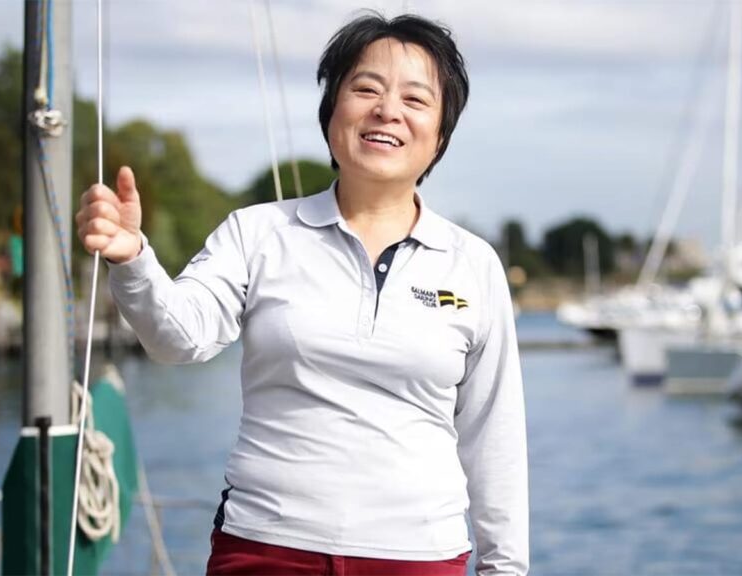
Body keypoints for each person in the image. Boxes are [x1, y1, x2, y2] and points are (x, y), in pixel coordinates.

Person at [76, 12, 528, 576]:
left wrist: (505, 568)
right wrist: (134, 258)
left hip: (419, 558)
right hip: (265, 548)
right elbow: (178, 339)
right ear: (332, 110)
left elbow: (495, 437)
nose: (387, 110)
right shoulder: (257, 232)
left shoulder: (473, 265)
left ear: (440, 135)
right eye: (365, 88)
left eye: (416, 100)